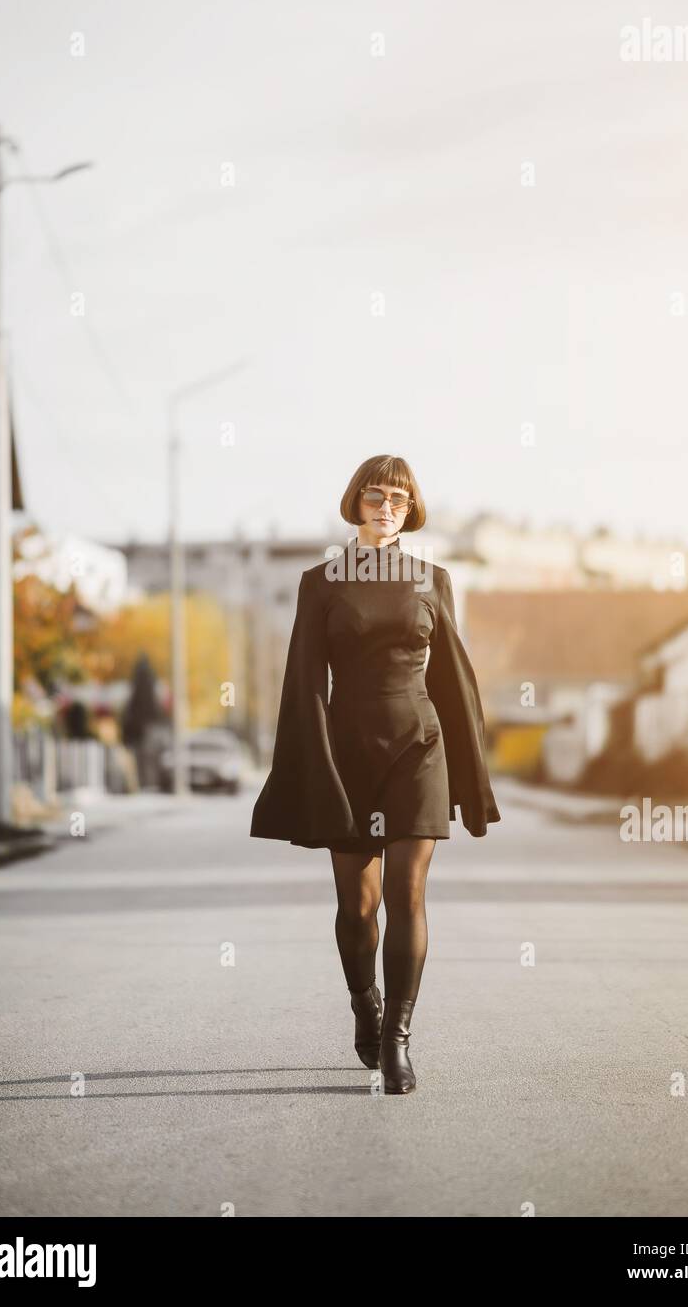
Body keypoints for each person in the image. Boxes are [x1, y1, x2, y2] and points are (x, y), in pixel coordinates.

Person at [250, 455, 501, 1093]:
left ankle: (398, 1042)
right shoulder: (322, 582)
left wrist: (473, 782)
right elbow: (303, 681)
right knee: (357, 907)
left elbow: (453, 681)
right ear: (355, 504)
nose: (386, 506)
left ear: (410, 509)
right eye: (374, 496)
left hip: (419, 749)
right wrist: (310, 767)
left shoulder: (430, 580)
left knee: (405, 896)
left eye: (398, 497)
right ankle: (366, 1004)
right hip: (348, 753)